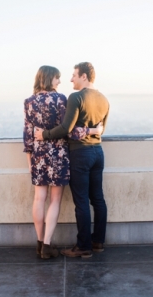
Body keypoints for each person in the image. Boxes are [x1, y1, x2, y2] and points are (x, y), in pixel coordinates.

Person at [23, 65, 102, 259]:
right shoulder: (61, 99)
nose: (59, 81)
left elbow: (27, 135)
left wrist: (30, 161)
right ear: (49, 78)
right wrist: (93, 131)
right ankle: (47, 244)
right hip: (58, 155)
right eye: (57, 78)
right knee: (55, 200)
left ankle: (39, 243)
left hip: (38, 156)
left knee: (38, 199)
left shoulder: (29, 102)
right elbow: (69, 130)